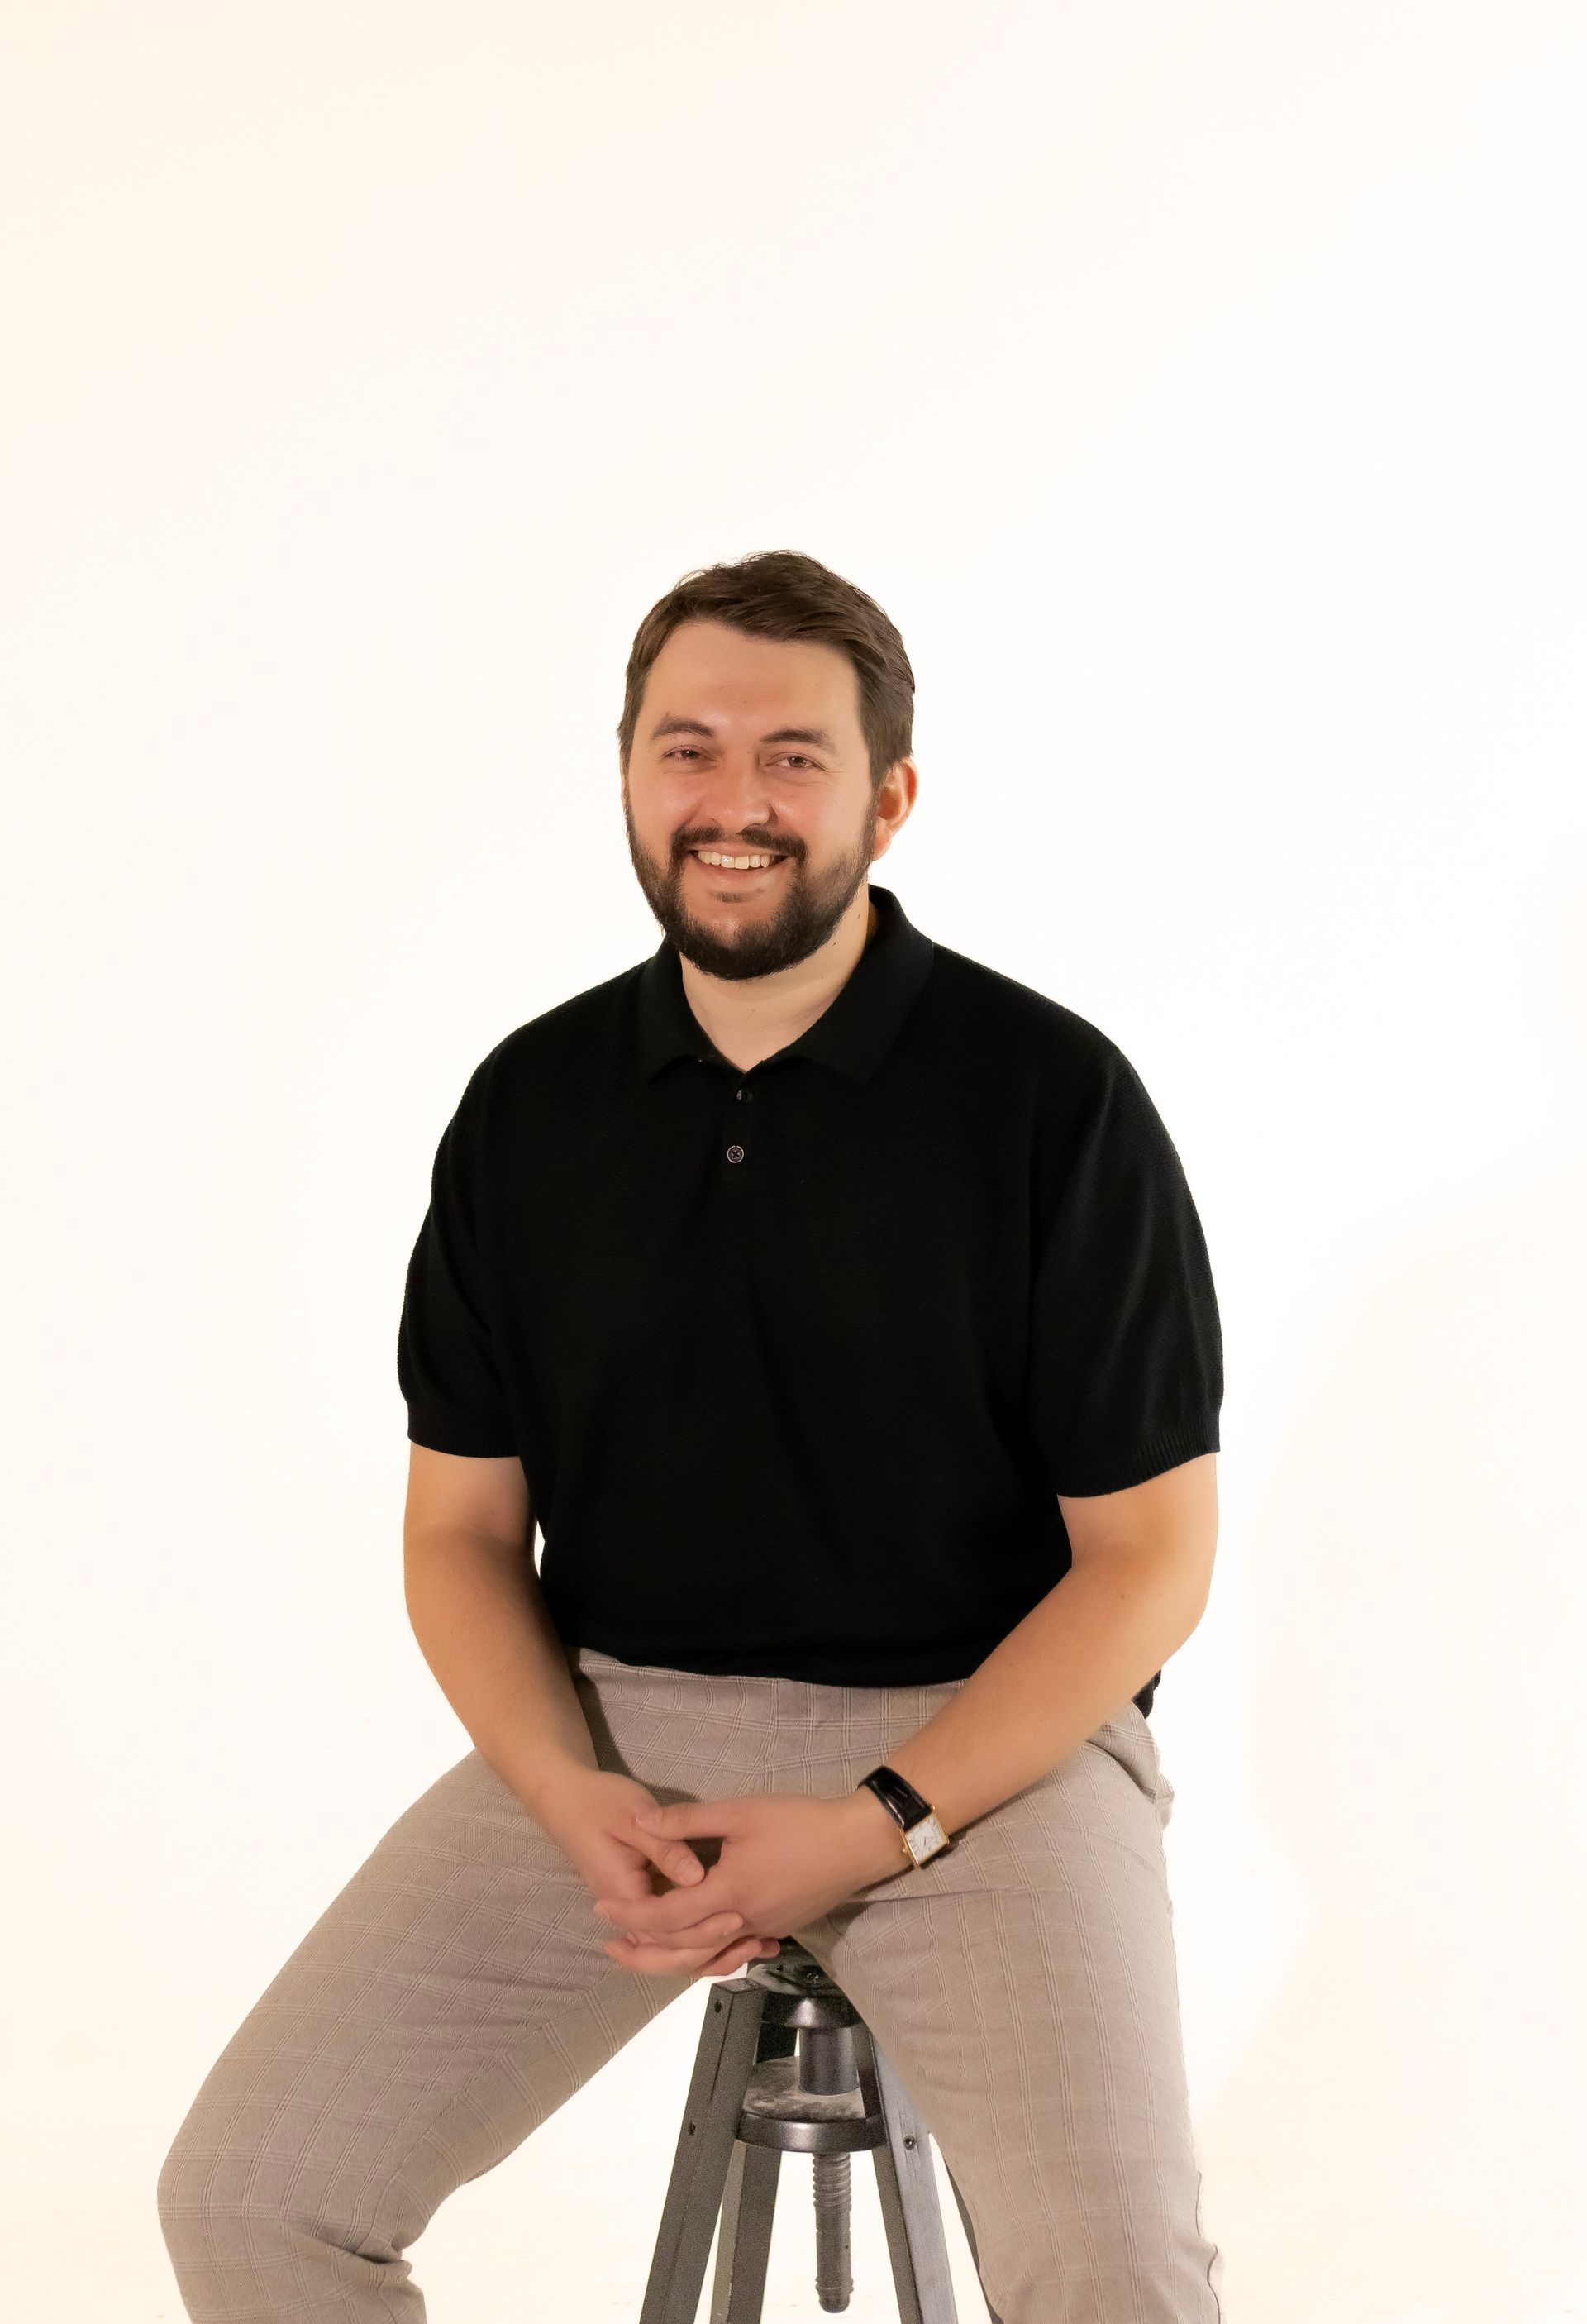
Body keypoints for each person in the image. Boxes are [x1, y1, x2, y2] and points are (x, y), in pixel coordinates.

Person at [157, 548, 1227, 2322]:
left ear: (889, 797)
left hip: (990, 1743)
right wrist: (564, 1786)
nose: (737, 802)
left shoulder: (1052, 1097)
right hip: (622, 1731)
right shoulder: (530, 1105)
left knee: (1116, 2276)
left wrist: (881, 1819)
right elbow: (458, 1535)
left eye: (794, 756)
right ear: (630, 777)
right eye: (689, 749)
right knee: (256, 2198)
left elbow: (1150, 1561)